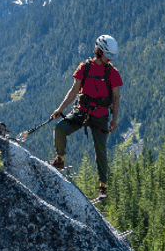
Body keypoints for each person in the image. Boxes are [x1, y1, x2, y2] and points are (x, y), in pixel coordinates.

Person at [50, 35, 123, 199]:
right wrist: (60, 109)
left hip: (101, 115)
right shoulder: (85, 67)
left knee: (101, 151)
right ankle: (59, 159)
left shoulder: (113, 73)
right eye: (108, 55)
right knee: (60, 129)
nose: (110, 59)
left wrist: (114, 119)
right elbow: (73, 90)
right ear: (99, 51)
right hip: (82, 111)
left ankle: (102, 186)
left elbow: (116, 98)